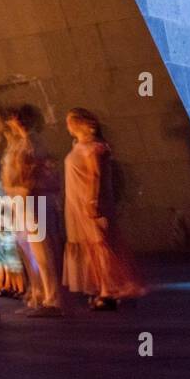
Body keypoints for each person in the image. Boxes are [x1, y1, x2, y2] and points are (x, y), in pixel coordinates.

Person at [62, 107, 145, 310]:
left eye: (71, 121)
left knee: (101, 246)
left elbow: (96, 175)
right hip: (77, 203)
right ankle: (102, 288)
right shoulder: (79, 146)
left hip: (91, 203)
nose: (68, 126)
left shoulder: (94, 147)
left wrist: (93, 200)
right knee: (91, 247)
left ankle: (110, 290)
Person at [0, 106, 65, 317]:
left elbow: (32, 171)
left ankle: (53, 299)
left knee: (43, 250)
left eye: (18, 118)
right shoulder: (19, 143)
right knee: (28, 249)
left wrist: (24, 189)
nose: (13, 122)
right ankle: (38, 293)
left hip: (31, 199)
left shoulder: (32, 142)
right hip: (20, 199)